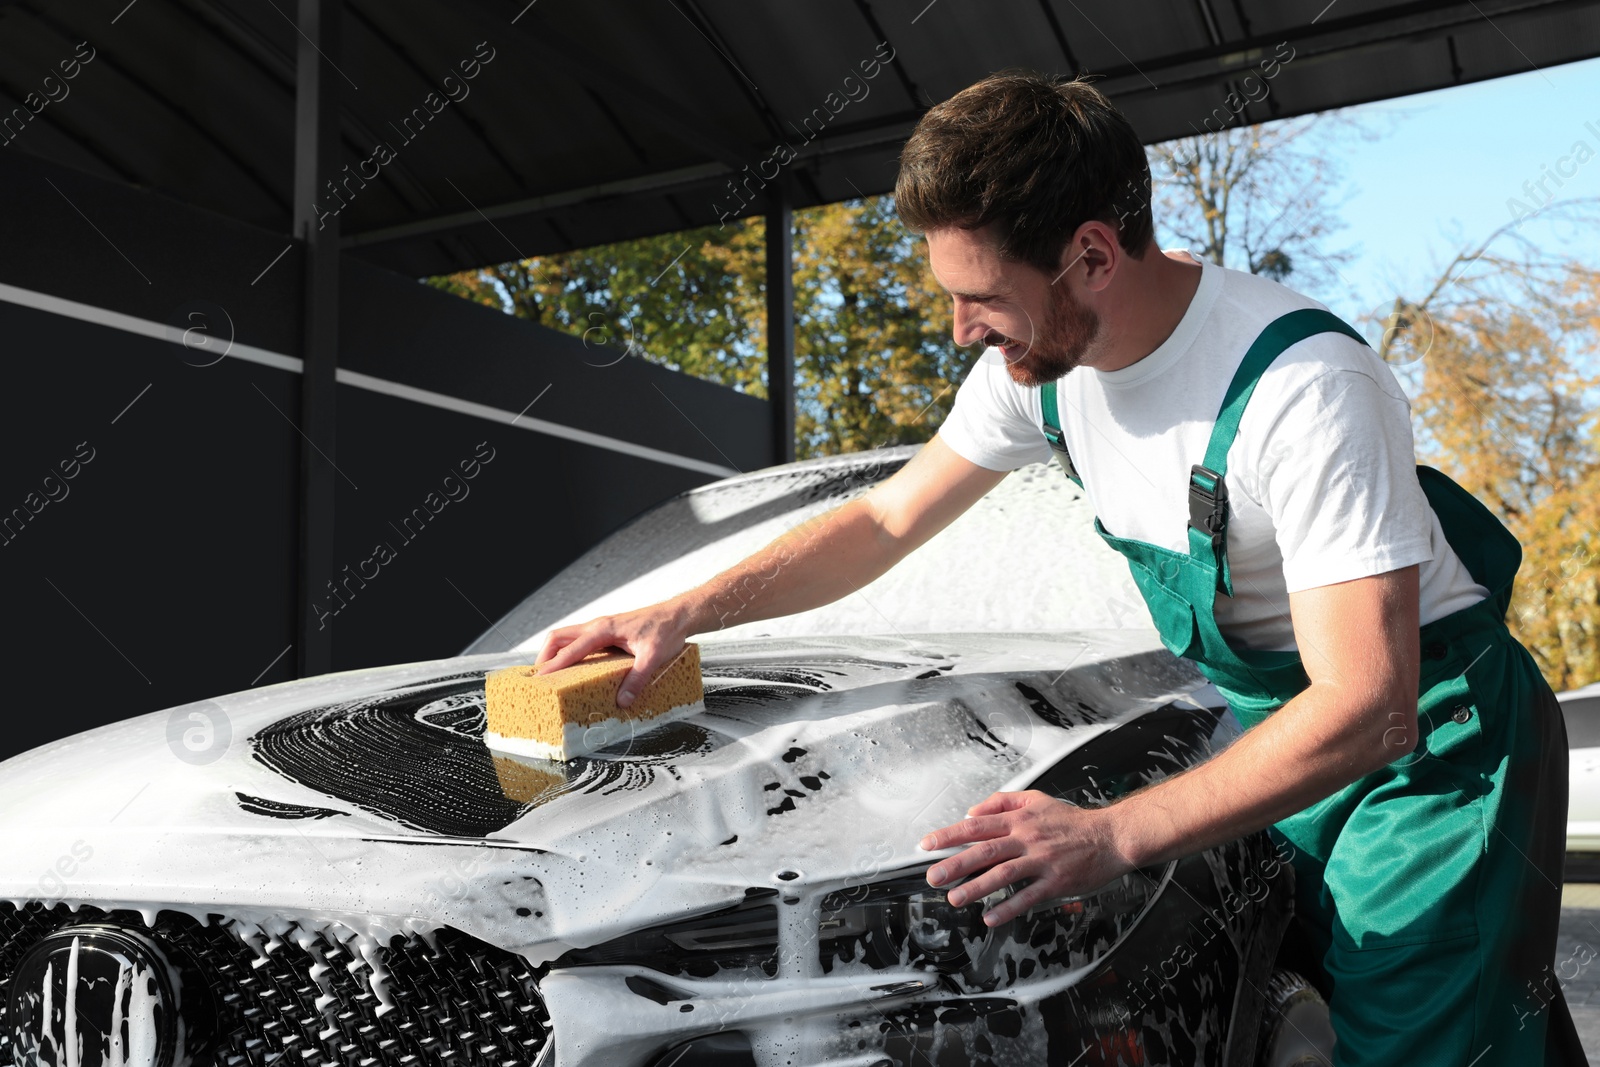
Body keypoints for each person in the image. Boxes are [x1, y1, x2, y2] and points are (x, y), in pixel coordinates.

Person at [534, 72, 1585, 1065]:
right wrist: (683, 611)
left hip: (1430, 759)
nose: (960, 328)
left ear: (1091, 254)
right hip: (1276, 730)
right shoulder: (1038, 372)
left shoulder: (1303, 389)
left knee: (1420, 1025)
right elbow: (885, 518)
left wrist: (1114, 830)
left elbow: (1368, 705)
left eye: (980, 295)